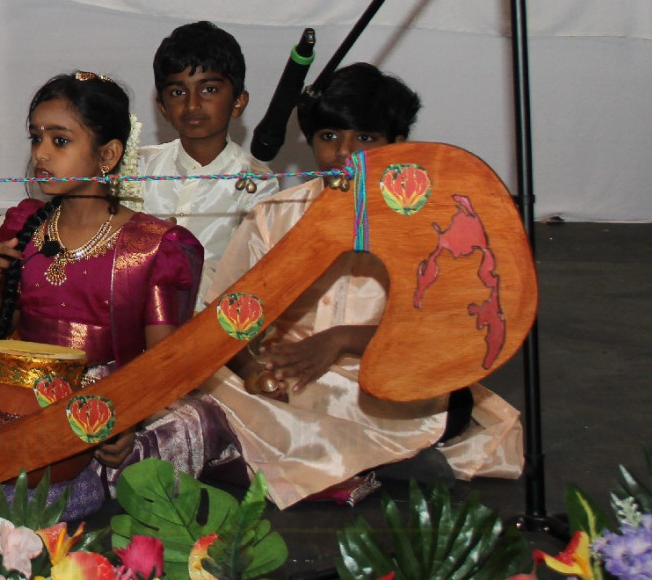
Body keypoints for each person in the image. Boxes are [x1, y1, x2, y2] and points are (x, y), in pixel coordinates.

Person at [178, 63, 522, 508]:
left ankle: (312, 453)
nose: (343, 152)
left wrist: (339, 340)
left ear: (397, 145)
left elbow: (448, 329)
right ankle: (378, 459)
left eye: (364, 138)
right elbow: (227, 319)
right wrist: (255, 374)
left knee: (385, 396)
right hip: (289, 373)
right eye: (328, 137)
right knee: (204, 377)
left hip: (383, 375)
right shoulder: (276, 215)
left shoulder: (432, 224)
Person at [0, 72, 203, 515]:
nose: (40, 153)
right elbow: (1, 328)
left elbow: (162, 364)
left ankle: (18, 470)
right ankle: (57, 475)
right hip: (19, 395)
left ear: (108, 155)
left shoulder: (153, 246)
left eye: (59, 141)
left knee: (191, 421)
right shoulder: (27, 224)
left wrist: (127, 419)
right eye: (36, 138)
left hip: (104, 405)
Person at [135, 22, 275, 301]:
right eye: (178, 92)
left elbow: (255, 278)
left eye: (209, 89)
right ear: (162, 107)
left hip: (214, 320)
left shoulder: (256, 182)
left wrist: (176, 261)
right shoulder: (140, 167)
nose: (192, 104)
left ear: (238, 101)